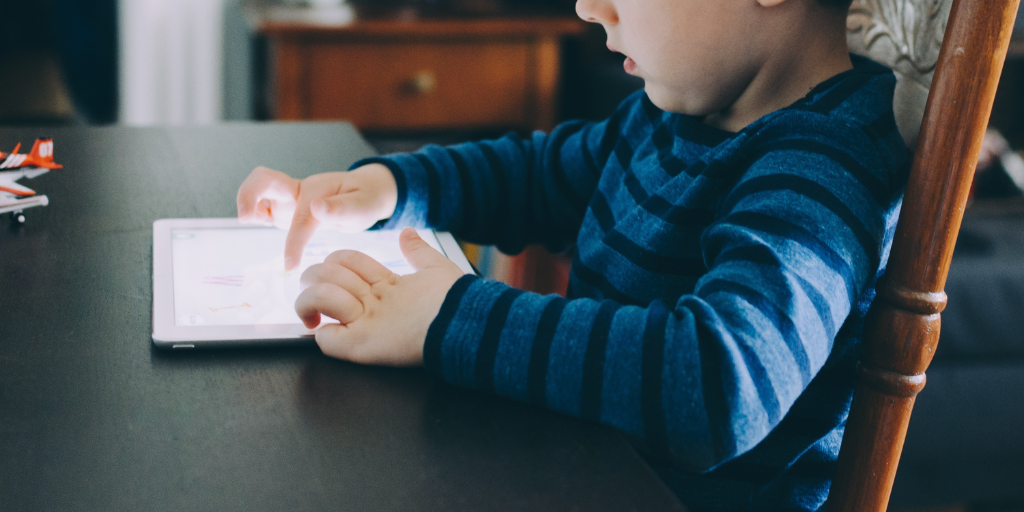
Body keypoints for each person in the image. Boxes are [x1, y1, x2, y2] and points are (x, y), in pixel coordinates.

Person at [235, 0, 910, 509]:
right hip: (586, 468)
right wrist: (390, 187)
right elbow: (537, 177)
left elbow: (717, 384)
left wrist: (449, 314)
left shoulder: (823, 166)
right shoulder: (675, 115)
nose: (589, 6)